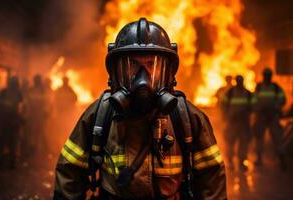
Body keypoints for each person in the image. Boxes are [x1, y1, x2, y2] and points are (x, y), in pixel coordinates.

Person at [54, 18, 226, 200]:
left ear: (168, 71)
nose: (142, 77)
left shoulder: (186, 117)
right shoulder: (100, 114)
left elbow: (211, 179)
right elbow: (69, 174)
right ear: (116, 71)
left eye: (152, 65)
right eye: (133, 65)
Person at [252, 67, 286, 167]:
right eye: (266, 75)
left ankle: (281, 160)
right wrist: (258, 108)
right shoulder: (258, 87)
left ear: (270, 76)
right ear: (264, 76)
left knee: (277, 138)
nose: (267, 77)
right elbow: (253, 100)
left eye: (268, 75)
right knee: (259, 138)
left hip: (273, 116)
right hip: (261, 116)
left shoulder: (275, 87)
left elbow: (282, 99)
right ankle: (259, 159)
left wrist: (275, 107)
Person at [222, 75, 252, 171]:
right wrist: (226, 116)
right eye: (238, 81)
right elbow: (223, 105)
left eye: (240, 81)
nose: (239, 83)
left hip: (243, 123)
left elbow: (254, 105)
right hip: (233, 122)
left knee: (243, 143)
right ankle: (230, 162)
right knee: (230, 142)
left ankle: (241, 162)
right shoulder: (230, 93)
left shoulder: (248, 93)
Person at [0, 76, 23, 168]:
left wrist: (19, 118)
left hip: (13, 121)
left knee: (12, 141)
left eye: (15, 84)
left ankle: (12, 160)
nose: (14, 86)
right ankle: (1, 159)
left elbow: (22, 107)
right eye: (13, 84)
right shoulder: (3, 93)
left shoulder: (19, 94)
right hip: (4, 120)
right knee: (4, 140)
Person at [25, 74, 50, 156]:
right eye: (36, 80)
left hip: (40, 112)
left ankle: (41, 148)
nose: (36, 82)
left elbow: (47, 101)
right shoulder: (31, 89)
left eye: (37, 80)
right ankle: (33, 147)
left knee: (40, 130)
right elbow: (27, 101)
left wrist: (46, 111)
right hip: (33, 112)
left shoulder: (43, 90)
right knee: (32, 130)